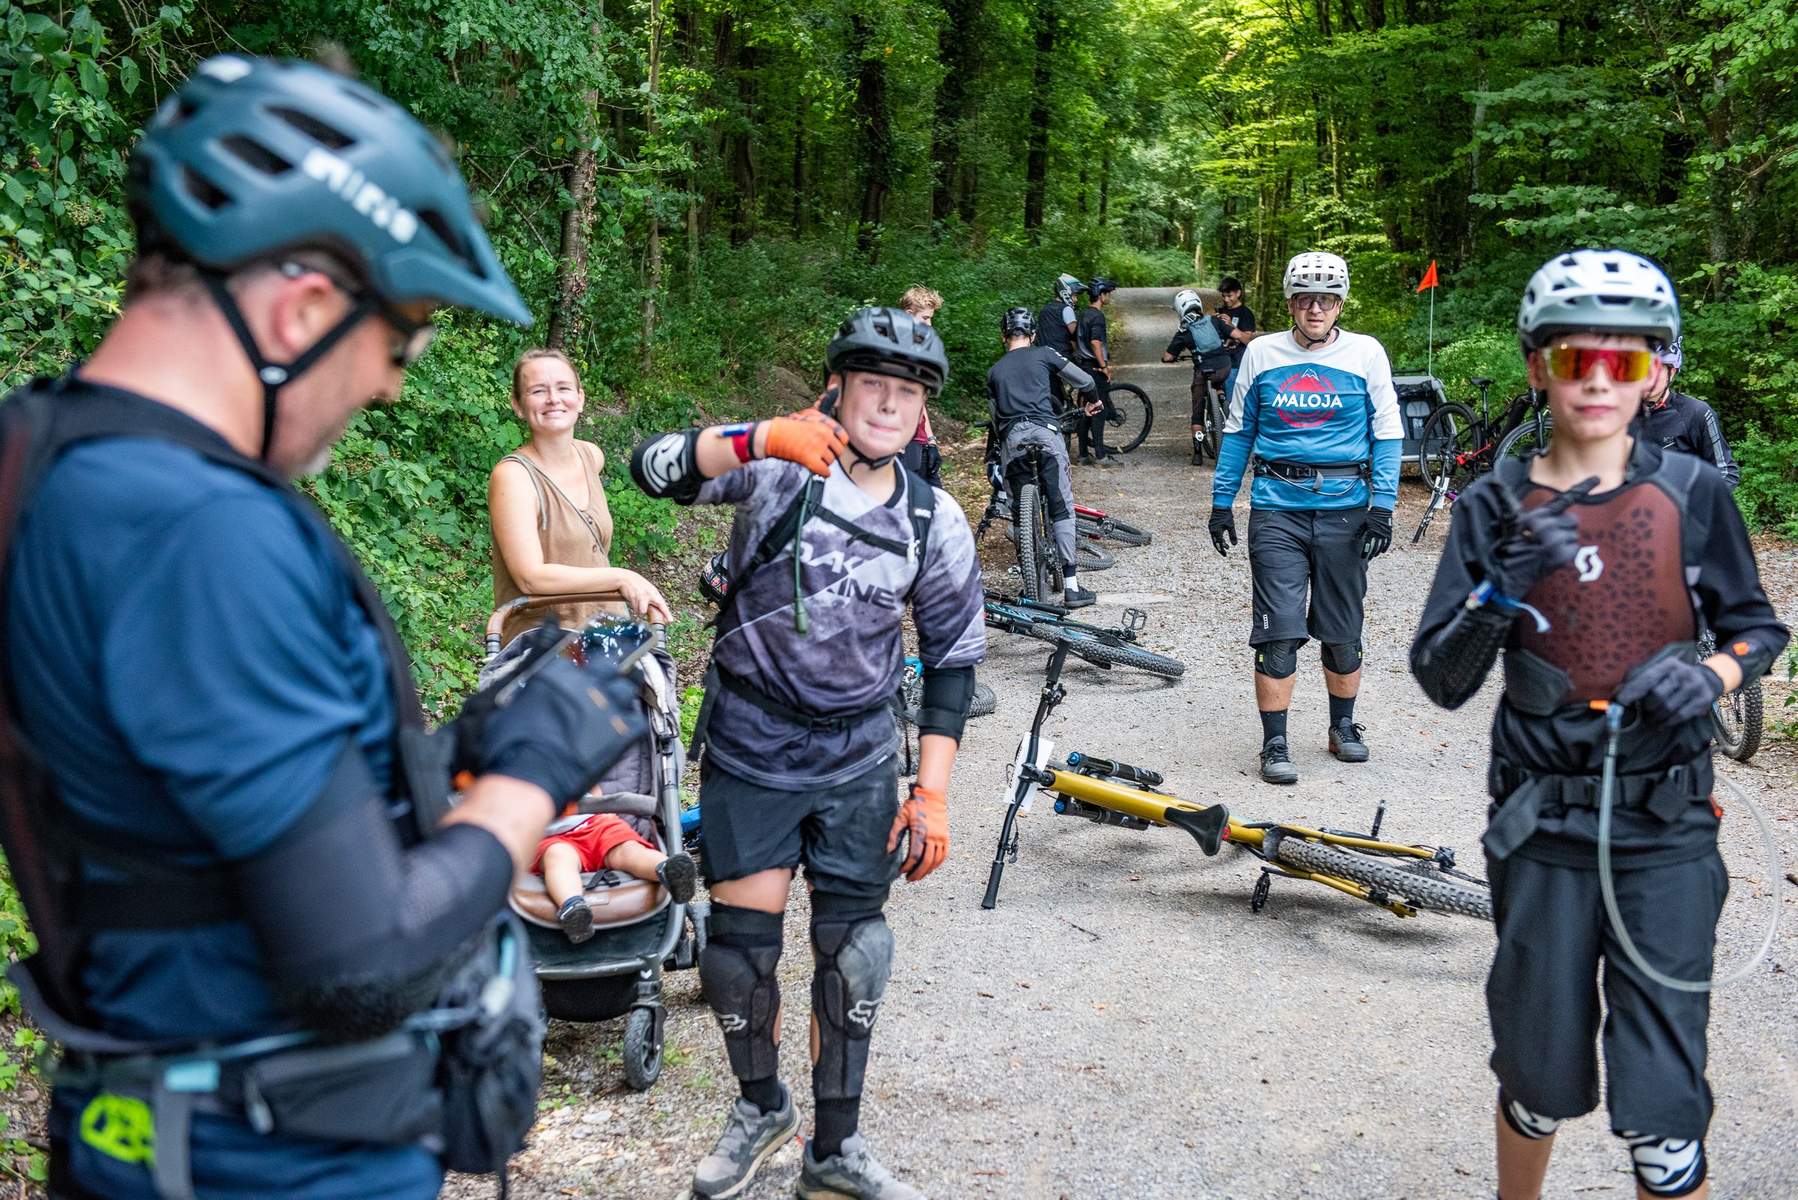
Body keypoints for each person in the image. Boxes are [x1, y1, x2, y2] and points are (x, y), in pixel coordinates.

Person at [0, 55, 645, 1199]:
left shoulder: (43, 457)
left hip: (154, 1127)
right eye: (394, 344)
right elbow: (361, 962)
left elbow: (176, 816)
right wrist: (532, 776)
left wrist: (442, 762)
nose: (390, 386)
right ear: (301, 308)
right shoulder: (198, 531)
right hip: (275, 1157)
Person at [1409, 248, 1786, 1200]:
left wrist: (1712, 674)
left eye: (1626, 358)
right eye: (1577, 357)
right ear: (1539, 366)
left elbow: (1759, 628)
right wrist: (1499, 588)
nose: (1600, 379)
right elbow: (1441, 680)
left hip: (1667, 829)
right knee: (1536, 1083)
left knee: (1665, 1123)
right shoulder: (1494, 503)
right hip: (1543, 831)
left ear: (1655, 370)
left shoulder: (1694, 493)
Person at [630, 307, 985, 1200]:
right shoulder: (778, 471)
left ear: (922, 410)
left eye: (907, 392)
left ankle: (835, 1146)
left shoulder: (933, 519)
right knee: (738, 959)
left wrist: (932, 793)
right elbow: (650, 467)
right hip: (752, 745)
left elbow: (951, 662)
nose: (889, 404)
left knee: (854, 953)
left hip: (859, 757)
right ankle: (760, 1108)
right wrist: (757, 437)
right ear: (839, 388)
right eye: (874, 385)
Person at [1208, 250, 1402, 785]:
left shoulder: (1366, 353)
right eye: (1306, 299)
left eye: (1327, 300)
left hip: (1345, 510)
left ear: (1340, 304)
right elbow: (1239, 431)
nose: (1316, 309)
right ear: (1291, 303)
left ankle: (1343, 727)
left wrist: (1383, 508)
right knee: (1278, 632)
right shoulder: (1262, 353)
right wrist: (1222, 502)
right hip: (1277, 510)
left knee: (1342, 632)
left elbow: (1388, 434)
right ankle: (1275, 742)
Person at [489, 348, 673, 647]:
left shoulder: (591, 456)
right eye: (538, 390)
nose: (553, 399)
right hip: (544, 643)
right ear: (518, 405)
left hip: (606, 632)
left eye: (563, 388)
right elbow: (530, 577)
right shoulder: (514, 477)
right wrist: (621, 577)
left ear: (580, 398)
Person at [990, 306, 1102, 608]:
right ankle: (1072, 587)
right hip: (1045, 435)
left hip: (1013, 442)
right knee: (1060, 505)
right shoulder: (1045, 354)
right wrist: (1093, 402)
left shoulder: (995, 371)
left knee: (1018, 509)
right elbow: (1086, 381)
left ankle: (1030, 584)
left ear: (1003, 336)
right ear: (1033, 334)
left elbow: (995, 420)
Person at [533, 807, 696, 943]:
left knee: (628, 850)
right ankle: (573, 909)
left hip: (595, 822)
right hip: (549, 837)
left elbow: (594, 794)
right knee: (559, 858)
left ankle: (670, 870)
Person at [1637, 337, 1739, 490]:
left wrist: (1697, 502)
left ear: (1672, 373)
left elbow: (1725, 473)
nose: (1647, 378)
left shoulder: (1695, 412)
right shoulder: (1620, 413)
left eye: (1656, 370)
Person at [1163, 288, 1235, 465]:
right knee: (1219, 381)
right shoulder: (1214, 320)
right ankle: (1221, 400)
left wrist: (1171, 358)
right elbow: (1237, 335)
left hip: (1203, 372)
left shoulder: (1184, 331)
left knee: (1197, 410)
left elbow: (1168, 357)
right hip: (1223, 367)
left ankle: (1197, 454)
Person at [896, 285, 945, 488]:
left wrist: (931, 440)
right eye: (925, 318)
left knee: (938, 501)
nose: (929, 324)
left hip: (920, 440)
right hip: (902, 444)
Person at [1075, 277, 1119, 465]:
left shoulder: (1083, 314)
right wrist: (1103, 366)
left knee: (1087, 410)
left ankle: (1083, 454)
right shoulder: (1097, 316)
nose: (1109, 297)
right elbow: (1095, 343)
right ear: (1101, 295)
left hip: (1083, 368)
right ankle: (1101, 456)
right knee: (1099, 410)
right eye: (1108, 294)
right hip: (1094, 368)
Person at [1216, 274, 1259, 410]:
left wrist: (1231, 326)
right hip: (1218, 360)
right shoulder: (1221, 310)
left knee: (1231, 401)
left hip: (1235, 363)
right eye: (1223, 296)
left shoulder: (1245, 314)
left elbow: (1248, 340)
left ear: (1238, 293)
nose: (1226, 299)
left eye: (1229, 296)